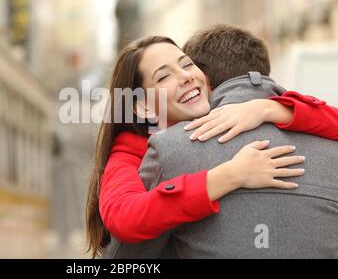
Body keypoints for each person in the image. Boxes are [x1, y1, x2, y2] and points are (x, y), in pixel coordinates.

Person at [86, 34, 338, 258]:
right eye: (164, 76)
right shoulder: (128, 153)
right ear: (143, 106)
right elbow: (125, 217)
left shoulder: (240, 118)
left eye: (186, 65)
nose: (185, 76)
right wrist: (230, 175)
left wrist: (270, 108)